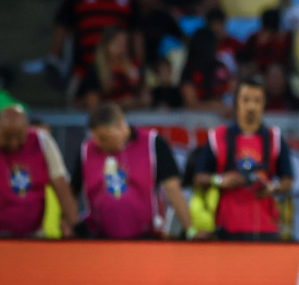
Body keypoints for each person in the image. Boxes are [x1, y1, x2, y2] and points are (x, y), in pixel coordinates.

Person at [70, 103, 197, 239]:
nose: (98, 143)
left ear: (121, 127)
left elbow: (172, 188)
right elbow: (72, 191)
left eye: (103, 138)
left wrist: (190, 229)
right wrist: (71, 223)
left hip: (145, 237)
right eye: (94, 138)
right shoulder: (87, 149)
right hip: (97, 237)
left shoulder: (153, 144)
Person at [193, 77, 294, 241]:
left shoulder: (274, 137)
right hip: (227, 227)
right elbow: (198, 177)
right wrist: (220, 181)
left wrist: (273, 188)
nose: (251, 106)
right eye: (246, 100)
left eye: (257, 101)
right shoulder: (218, 136)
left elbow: (288, 180)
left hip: (266, 227)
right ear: (236, 103)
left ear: (264, 105)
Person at [0, 105, 78, 238]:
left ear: (27, 129)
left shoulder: (43, 141)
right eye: (7, 137)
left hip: (35, 235)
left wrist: (73, 226)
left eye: (19, 137)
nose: (13, 143)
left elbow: (61, 185)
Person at [51, 0, 140, 78]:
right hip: (84, 70)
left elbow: (137, 34)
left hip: (119, 70)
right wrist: (54, 59)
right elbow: (61, 26)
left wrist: (138, 65)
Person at [77, 26, 150, 110]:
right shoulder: (96, 68)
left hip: (134, 117)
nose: (122, 47)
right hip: (107, 119)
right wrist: (122, 104)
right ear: (106, 45)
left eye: (125, 43)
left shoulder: (134, 65)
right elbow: (92, 104)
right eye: (118, 43)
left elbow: (145, 96)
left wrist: (139, 100)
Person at [180, 28, 234, 115]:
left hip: (223, 120)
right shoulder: (189, 70)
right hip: (195, 122)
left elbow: (232, 91)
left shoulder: (220, 68)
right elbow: (190, 103)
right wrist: (214, 106)